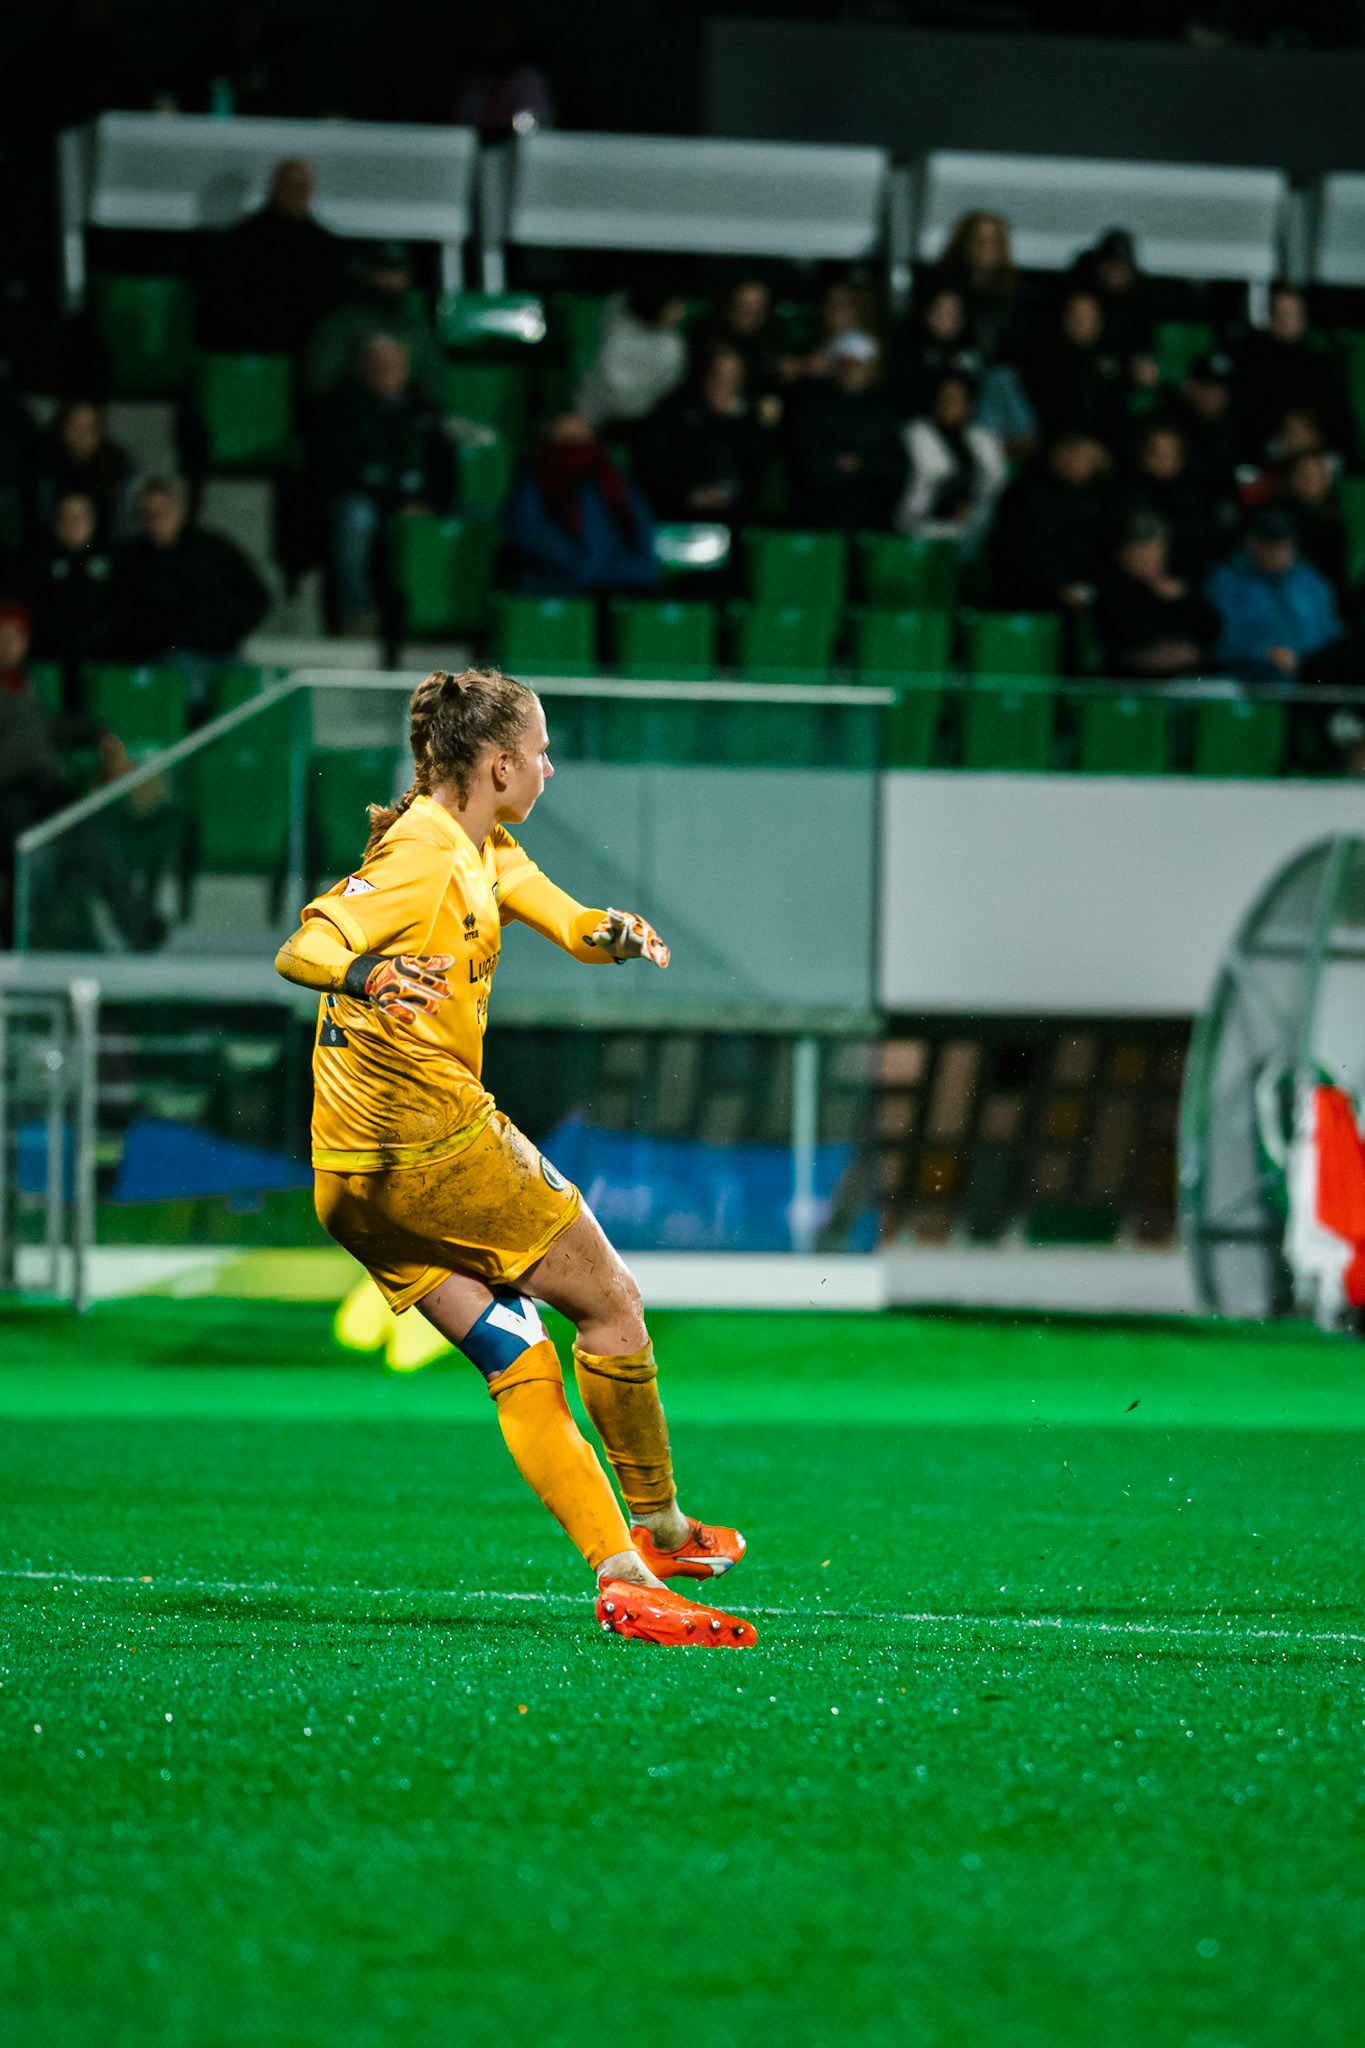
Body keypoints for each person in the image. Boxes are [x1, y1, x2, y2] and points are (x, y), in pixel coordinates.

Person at [273, 667, 755, 1647]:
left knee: (518, 1350)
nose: (549, 764)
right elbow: (309, 940)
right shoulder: (424, 857)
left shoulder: (477, 843)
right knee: (612, 1303)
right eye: (539, 751)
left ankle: (623, 1578)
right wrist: (368, 969)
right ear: (496, 764)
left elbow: (561, 916)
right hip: (434, 1148)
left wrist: (604, 932)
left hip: (349, 1183)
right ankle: (661, 1528)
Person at [0, 599, 153, 950]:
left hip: (50, 790)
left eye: (16, 635)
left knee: (96, 837)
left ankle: (137, 923)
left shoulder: (27, 685)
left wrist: (98, 732)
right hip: (10, 793)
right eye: (3, 634)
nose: (9, 642)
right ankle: (31, 938)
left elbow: (50, 726)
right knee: (34, 853)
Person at [308, 335, 456, 633]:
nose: (386, 371)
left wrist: (433, 503)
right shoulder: (341, 408)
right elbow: (335, 469)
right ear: (363, 368)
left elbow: (445, 469)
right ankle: (356, 613)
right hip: (365, 499)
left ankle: (440, 615)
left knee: (469, 519)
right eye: (378, 365)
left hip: (416, 502)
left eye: (394, 365)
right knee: (356, 517)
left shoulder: (424, 410)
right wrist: (391, 501)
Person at [107, 478, 269, 708]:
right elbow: (122, 616)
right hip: (169, 659)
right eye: (149, 513)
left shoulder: (212, 548)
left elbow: (257, 596)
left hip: (221, 652)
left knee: (248, 694)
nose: (158, 520)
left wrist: (228, 632)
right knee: (186, 685)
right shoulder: (132, 560)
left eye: (163, 511)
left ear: (179, 510)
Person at [198, 156, 348, 357]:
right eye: (290, 186)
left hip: (309, 352)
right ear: (275, 187)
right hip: (251, 347)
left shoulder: (327, 247)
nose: (296, 193)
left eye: (302, 187)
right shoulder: (240, 242)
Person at [503, 412, 658, 596]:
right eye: (568, 434)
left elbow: (641, 525)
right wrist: (576, 561)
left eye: (581, 432)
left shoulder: (613, 479)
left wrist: (636, 566)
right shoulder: (535, 475)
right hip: (557, 578)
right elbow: (528, 527)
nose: (576, 438)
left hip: (619, 576)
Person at [785, 331, 907, 533]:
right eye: (845, 364)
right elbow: (809, 462)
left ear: (870, 368)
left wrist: (861, 463)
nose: (851, 371)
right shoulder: (812, 405)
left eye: (858, 364)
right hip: (821, 513)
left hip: (872, 514)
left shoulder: (884, 410)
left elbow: (897, 466)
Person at [633, 345, 766, 528]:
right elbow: (652, 471)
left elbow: (755, 476)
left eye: (733, 383)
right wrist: (686, 496)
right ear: (704, 376)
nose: (724, 389)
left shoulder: (746, 419)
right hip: (680, 517)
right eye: (717, 379)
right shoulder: (673, 412)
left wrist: (733, 423)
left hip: (734, 519)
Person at [1205, 505, 1341, 684]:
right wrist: (1264, 653)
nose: (1279, 554)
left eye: (1285, 546)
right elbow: (1217, 639)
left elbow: (1331, 634)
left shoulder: (1311, 581)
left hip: (1312, 681)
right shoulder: (1227, 582)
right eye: (1271, 546)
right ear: (1252, 544)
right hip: (1250, 682)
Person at [988, 427, 1113, 612]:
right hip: (1026, 596)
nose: (1092, 468)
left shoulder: (1082, 494)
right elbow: (1021, 554)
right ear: (1060, 453)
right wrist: (1057, 588)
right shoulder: (1025, 493)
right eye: (1087, 460)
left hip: (1070, 590)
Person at [304, 241, 446, 406]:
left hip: (408, 418)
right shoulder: (340, 324)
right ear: (365, 272)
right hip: (354, 416)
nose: (390, 279)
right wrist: (367, 373)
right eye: (382, 270)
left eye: (397, 270)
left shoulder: (416, 327)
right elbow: (318, 384)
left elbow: (437, 388)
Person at [1234, 284, 1356, 465]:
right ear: (1271, 317)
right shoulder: (1254, 364)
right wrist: (1275, 447)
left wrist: (1325, 456)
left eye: (1292, 314)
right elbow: (1246, 424)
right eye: (1281, 314)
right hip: (1270, 463)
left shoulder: (1321, 367)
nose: (1287, 321)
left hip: (1318, 462)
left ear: (1304, 317)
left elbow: (1341, 423)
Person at [1094, 512, 1220, 680]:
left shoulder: (1177, 587)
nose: (1150, 566)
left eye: (1156, 558)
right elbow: (1122, 637)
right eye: (1141, 558)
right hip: (1134, 681)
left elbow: (1212, 627)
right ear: (1123, 556)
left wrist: (1184, 598)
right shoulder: (1112, 591)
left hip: (1186, 676)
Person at [895, 370, 1007, 551]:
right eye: (945, 397)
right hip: (922, 530)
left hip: (975, 530)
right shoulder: (915, 434)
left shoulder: (984, 440)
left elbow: (995, 486)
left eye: (957, 398)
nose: (949, 404)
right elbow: (917, 489)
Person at [1117, 418, 1232, 585]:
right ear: (1142, 455)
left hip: (1194, 580)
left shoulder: (1200, 490)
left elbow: (1212, 542)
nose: (1164, 459)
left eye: (1171, 453)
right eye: (1156, 453)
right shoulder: (1128, 495)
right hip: (1141, 584)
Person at [22, 490, 115, 688]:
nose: (73, 522)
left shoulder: (112, 561)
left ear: (93, 520)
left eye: (80, 515)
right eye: (66, 516)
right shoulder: (39, 561)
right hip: (52, 652)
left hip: (100, 654)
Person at [572, 286, 688, 432]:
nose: (681, 314)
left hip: (645, 422)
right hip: (593, 413)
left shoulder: (672, 344)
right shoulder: (617, 326)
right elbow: (612, 382)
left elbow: (670, 383)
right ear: (658, 305)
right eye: (675, 307)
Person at [1023, 290, 1129, 448]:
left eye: (1089, 317)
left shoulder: (1116, 360)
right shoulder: (1042, 362)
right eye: (1076, 316)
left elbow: (1118, 414)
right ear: (1064, 319)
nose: (1082, 323)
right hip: (1054, 446)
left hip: (1103, 448)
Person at [1068, 228, 1159, 391]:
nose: (1115, 274)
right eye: (1110, 266)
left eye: (1121, 268)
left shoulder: (1138, 304)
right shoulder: (1082, 291)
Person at [34, 399, 132, 541]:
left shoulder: (118, 466)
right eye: (76, 427)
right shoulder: (43, 466)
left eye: (89, 428)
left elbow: (122, 527)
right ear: (63, 429)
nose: (83, 436)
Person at [935, 211, 1020, 363]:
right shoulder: (943, 287)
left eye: (993, 242)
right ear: (965, 243)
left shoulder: (1013, 293)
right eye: (980, 241)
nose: (986, 249)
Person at [694, 276, 782, 423]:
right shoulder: (707, 339)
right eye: (743, 307)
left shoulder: (768, 343)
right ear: (729, 305)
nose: (749, 316)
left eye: (757, 309)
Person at [1171, 351, 1242, 501]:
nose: (1214, 394)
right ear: (1191, 386)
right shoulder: (1173, 425)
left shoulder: (1239, 426)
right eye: (1207, 386)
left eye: (1221, 388)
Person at [1279, 448, 1350, 600]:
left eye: (1315, 474)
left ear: (1327, 479)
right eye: (1302, 474)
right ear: (1291, 479)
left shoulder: (1340, 521)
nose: (1309, 480)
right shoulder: (1280, 517)